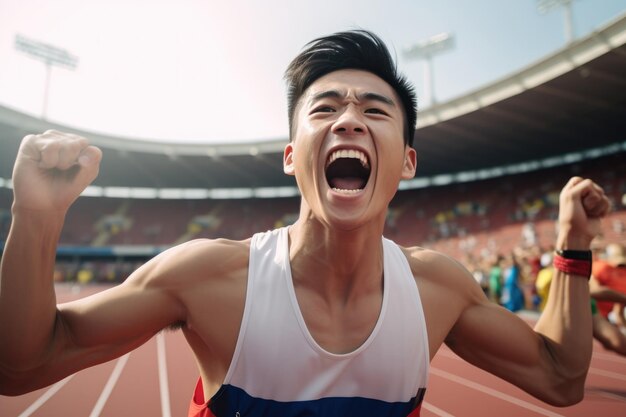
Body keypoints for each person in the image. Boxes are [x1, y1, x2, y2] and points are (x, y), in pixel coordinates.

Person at [0, 30, 612, 416]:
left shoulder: (438, 289)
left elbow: (560, 379)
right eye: (325, 108)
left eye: (374, 110)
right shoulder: (211, 276)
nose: (349, 120)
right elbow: (23, 365)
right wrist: (35, 217)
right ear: (292, 156)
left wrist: (572, 247)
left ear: (407, 161)